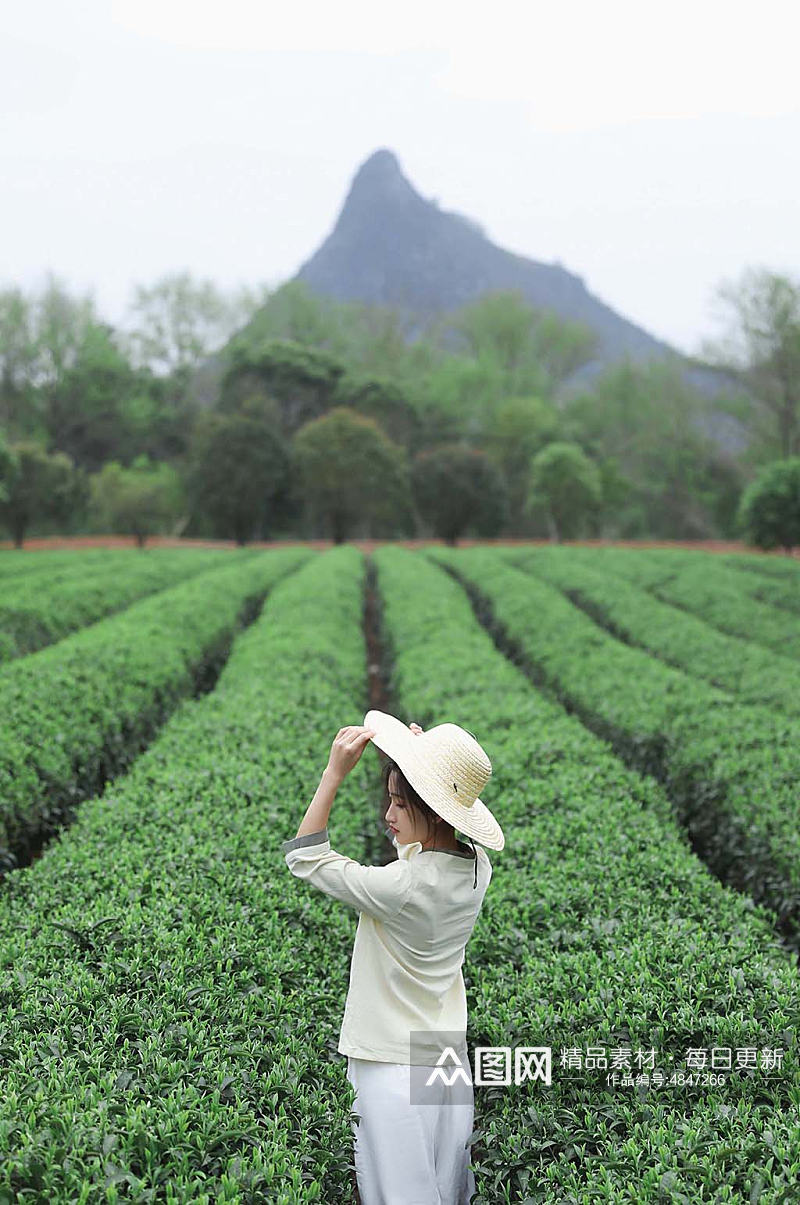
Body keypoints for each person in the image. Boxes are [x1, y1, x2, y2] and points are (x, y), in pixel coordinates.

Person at [281, 709, 505, 1205]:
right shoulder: (476, 868)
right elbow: (432, 841)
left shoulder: (400, 885)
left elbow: (305, 856)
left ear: (431, 809)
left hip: (392, 1067)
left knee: (402, 1195)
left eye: (400, 805)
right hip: (445, 1060)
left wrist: (334, 772)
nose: (388, 815)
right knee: (444, 1190)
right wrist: (418, 761)